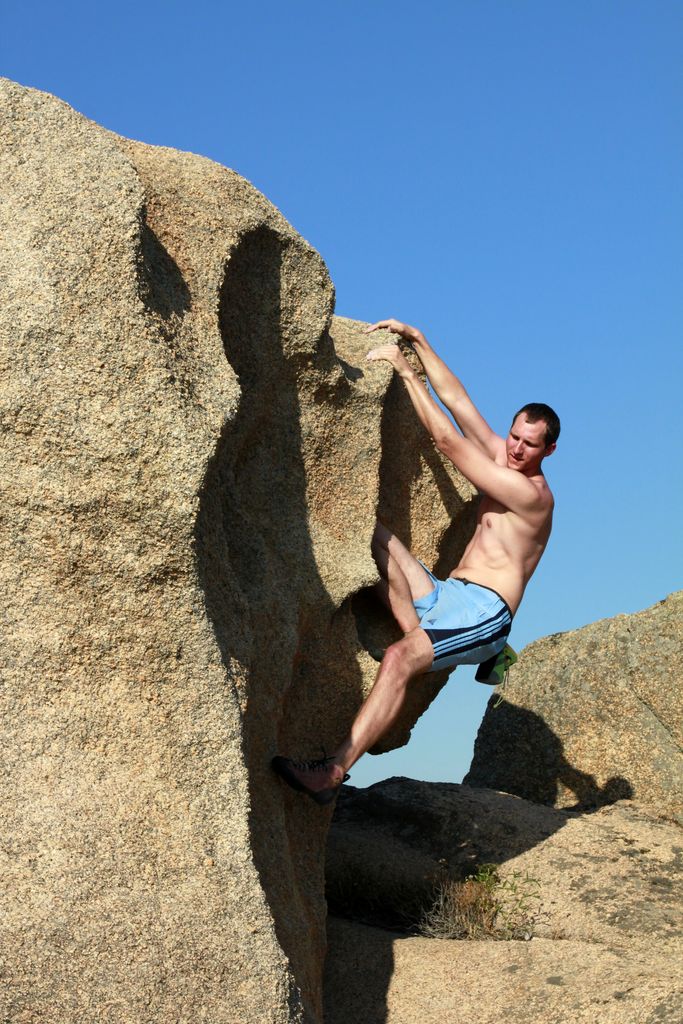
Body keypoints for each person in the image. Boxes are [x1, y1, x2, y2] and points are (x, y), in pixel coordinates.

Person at [272, 318, 560, 804]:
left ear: (549, 449)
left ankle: (332, 771)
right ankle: (422, 636)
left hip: (484, 612)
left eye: (529, 444)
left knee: (400, 659)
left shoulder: (531, 495)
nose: (514, 448)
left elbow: (448, 443)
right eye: (513, 435)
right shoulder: (506, 457)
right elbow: (460, 402)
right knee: (370, 534)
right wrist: (420, 340)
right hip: (448, 595)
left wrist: (405, 372)